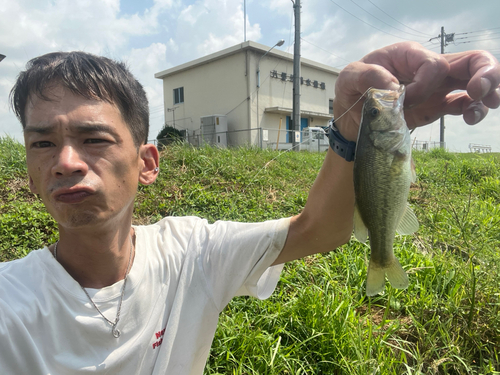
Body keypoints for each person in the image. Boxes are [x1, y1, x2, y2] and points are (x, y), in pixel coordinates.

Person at [0, 42, 499, 374]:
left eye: (94, 138)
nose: (65, 162)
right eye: (41, 144)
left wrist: (355, 130)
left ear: (146, 162)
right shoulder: (10, 306)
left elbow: (316, 230)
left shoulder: (189, 252)